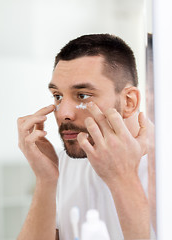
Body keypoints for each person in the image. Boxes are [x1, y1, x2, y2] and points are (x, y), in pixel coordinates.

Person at [17, 34, 150, 240]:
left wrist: (122, 178)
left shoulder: (161, 169)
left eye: (82, 95)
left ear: (129, 101)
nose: (63, 113)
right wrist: (46, 181)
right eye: (58, 96)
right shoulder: (66, 163)